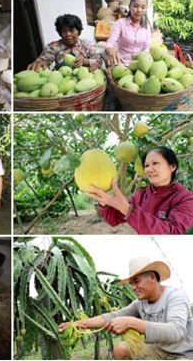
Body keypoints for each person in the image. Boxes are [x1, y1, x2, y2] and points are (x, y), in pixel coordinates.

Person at [59, 257, 193, 360]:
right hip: (158, 353)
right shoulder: (140, 303)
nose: (133, 288)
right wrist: (77, 324)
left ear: (152, 277)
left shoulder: (176, 296)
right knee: (121, 348)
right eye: (132, 283)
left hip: (183, 356)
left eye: (136, 281)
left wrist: (131, 323)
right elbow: (111, 317)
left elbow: (176, 331)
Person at [86, 146, 193, 234]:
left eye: (155, 163)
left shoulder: (186, 198)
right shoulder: (141, 195)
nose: (149, 169)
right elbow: (115, 219)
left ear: (172, 166)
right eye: (146, 165)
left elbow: (173, 234)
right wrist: (104, 202)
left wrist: (127, 209)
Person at [27, 14, 102, 71]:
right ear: (60, 33)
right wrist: (40, 65)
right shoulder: (53, 46)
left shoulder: (85, 43)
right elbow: (43, 61)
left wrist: (86, 61)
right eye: (64, 31)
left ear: (79, 32)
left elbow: (99, 62)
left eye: (72, 31)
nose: (68, 34)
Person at [105, 0, 151, 66]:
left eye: (143, 7)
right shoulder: (120, 23)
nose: (139, 10)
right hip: (121, 65)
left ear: (146, 9)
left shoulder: (146, 27)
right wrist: (112, 53)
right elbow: (109, 44)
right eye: (135, 6)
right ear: (129, 7)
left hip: (138, 65)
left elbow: (146, 49)